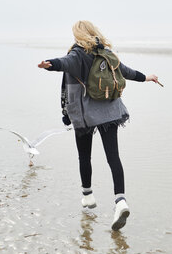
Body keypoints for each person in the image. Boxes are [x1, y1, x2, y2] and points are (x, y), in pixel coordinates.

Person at [38, 20, 159, 231]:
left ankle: (88, 195)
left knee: (85, 156)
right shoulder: (106, 53)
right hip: (111, 112)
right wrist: (146, 77)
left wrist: (49, 64)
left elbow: (63, 63)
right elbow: (125, 72)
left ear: (77, 35)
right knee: (113, 156)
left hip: (85, 116)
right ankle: (120, 201)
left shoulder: (78, 54)